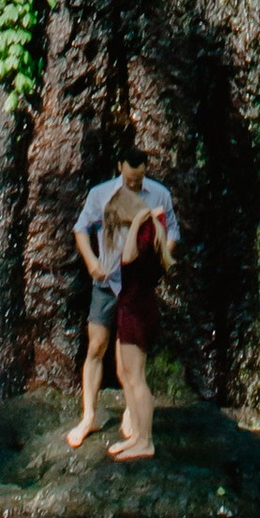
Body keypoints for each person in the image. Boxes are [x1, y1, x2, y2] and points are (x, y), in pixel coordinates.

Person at [67, 144, 180, 445]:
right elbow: (81, 229)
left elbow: (172, 238)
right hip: (106, 282)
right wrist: (91, 262)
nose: (135, 184)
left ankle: (132, 414)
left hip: (136, 286)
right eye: (130, 179)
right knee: (97, 346)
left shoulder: (159, 195)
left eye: (140, 179)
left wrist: (156, 265)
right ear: (120, 167)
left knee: (127, 361)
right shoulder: (100, 194)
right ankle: (88, 416)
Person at [103, 187, 173, 464]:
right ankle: (136, 436)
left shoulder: (145, 232)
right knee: (124, 371)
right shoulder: (149, 225)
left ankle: (146, 440)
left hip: (138, 311)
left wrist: (136, 222)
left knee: (137, 378)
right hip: (130, 308)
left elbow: (129, 257)